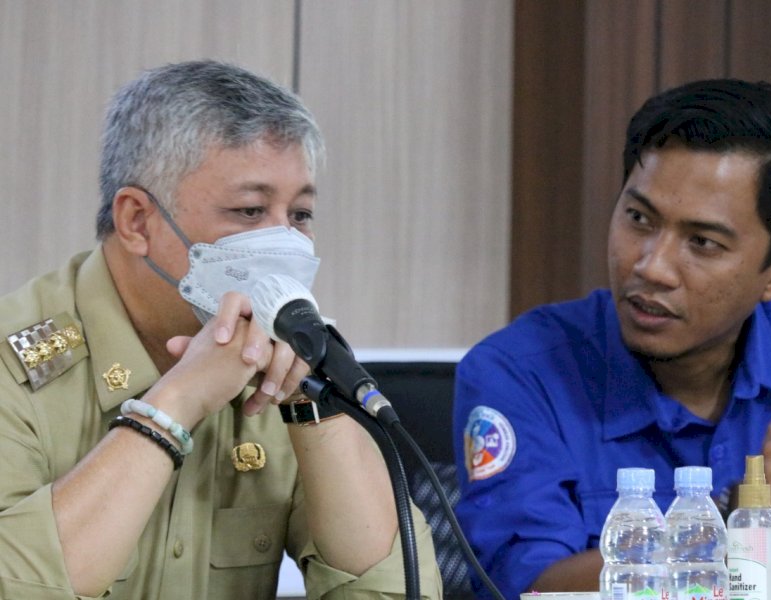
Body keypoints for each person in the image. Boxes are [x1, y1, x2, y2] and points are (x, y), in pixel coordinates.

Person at [0, 60, 442, 599]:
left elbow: (396, 591)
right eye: (250, 210)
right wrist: (175, 403)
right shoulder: (13, 365)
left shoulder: (287, 363)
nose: (283, 244)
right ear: (137, 221)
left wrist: (317, 408)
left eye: (299, 215)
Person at [453, 78, 771, 598]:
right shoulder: (518, 372)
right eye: (639, 218)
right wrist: (737, 526)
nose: (651, 267)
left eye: (701, 242)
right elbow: (530, 589)